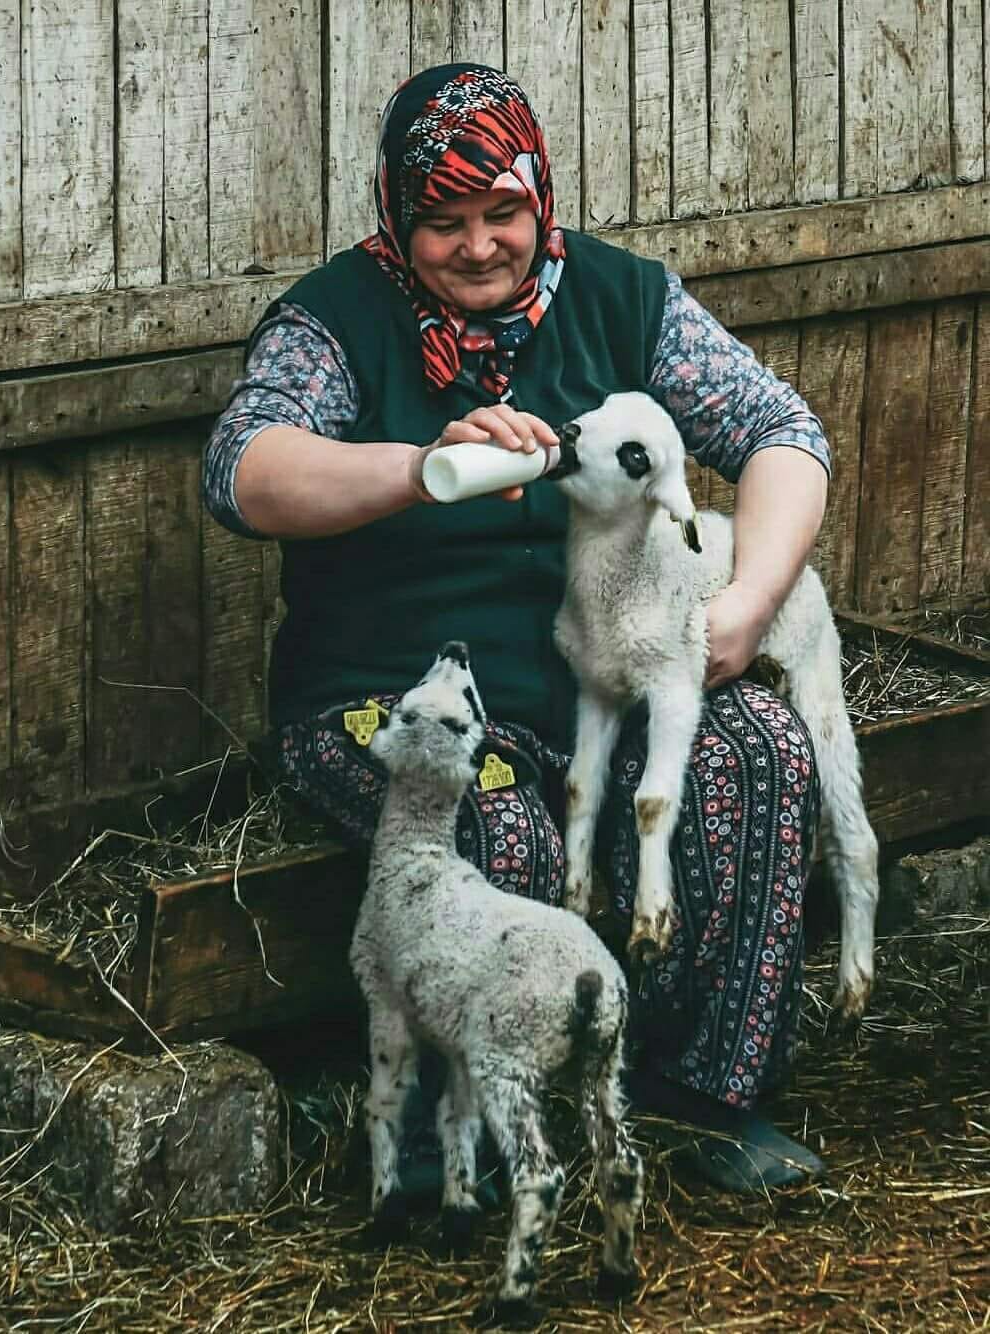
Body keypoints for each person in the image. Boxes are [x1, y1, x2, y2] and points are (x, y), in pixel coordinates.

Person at [204, 63, 831, 1194]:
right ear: (398, 218)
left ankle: (697, 1097)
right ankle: (487, 1144)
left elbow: (782, 430)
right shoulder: (338, 319)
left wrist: (740, 607)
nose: (481, 244)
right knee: (502, 826)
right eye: (443, 221)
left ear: (541, 195)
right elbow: (243, 470)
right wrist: (420, 469)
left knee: (758, 755)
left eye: (504, 211)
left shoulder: (621, 298)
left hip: (591, 678)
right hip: (400, 694)